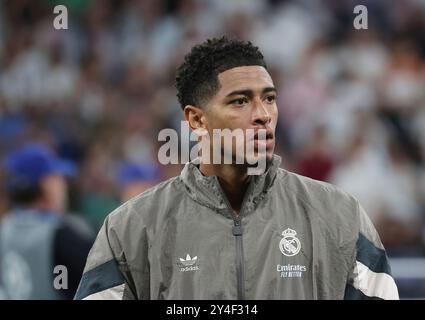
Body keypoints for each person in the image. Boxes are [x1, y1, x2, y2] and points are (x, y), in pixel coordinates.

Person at [75, 37, 399, 300]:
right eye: (240, 101)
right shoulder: (131, 227)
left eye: (269, 99)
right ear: (197, 120)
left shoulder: (339, 214)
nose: (262, 114)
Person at [0, 143, 94, 299]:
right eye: (56, 178)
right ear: (44, 186)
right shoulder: (61, 236)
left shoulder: (5, 228)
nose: (63, 185)